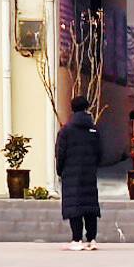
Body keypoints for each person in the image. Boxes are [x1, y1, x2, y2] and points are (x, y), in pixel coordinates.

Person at [53, 105, 103, 248]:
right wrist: (93, 167)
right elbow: (100, 153)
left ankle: (77, 239)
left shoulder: (66, 131)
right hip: (89, 174)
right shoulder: (93, 130)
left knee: (75, 206)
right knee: (90, 206)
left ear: (73, 109)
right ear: (86, 108)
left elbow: (60, 154)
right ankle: (92, 239)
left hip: (71, 175)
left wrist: (60, 171)